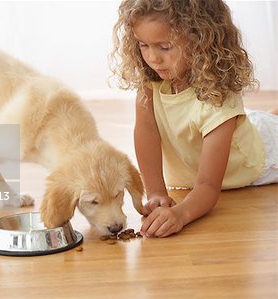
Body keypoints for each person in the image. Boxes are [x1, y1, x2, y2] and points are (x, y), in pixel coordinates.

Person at [110, 0, 278, 237]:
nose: (153, 58)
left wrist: (181, 214)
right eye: (143, 45)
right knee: (257, 122)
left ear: (202, 40)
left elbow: (208, 187)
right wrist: (156, 191)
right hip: (225, 137)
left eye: (165, 47)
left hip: (253, 160)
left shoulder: (220, 99)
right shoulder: (151, 84)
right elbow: (147, 133)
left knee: (268, 129)